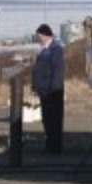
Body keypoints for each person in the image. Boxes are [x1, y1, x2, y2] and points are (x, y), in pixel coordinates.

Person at [31, 23, 65, 154]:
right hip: (44, 91)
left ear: (45, 35)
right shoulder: (44, 49)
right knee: (47, 119)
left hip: (52, 92)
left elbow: (58, 71)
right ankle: (50, 145)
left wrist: (54, 89)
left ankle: (55, 147)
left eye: (39, 35)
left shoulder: (55, 49)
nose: (38, 37)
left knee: (54, 120)